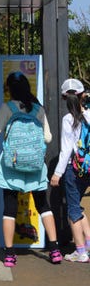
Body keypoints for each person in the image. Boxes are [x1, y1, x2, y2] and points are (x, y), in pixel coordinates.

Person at [0, 71, 62, 267]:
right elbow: (48, 138)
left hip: (11, 167)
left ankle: (9, 254)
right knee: (43, 206)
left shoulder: (8, 108)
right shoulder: (38, 110)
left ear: (9, 89)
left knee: (10, 208)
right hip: (34, 166)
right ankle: (55, 250)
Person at [49, 78, 90, 263]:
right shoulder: (89, 115)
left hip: (73, 169)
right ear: (83, 95)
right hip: (88, 169)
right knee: (77, 207)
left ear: (64, 97)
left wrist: (57, 174)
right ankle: (87, 245)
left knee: (73, 210)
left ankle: (80, 251)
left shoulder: (68, 119)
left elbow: (66, 150)